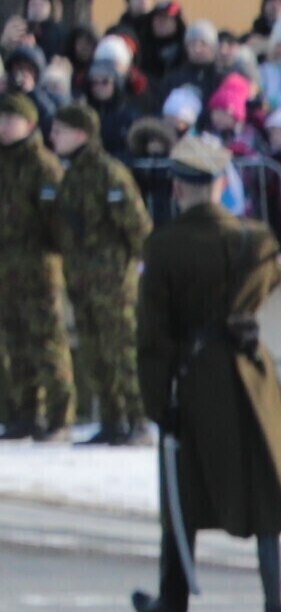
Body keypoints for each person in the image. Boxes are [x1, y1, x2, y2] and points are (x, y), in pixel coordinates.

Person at [127, 134, 281, 612]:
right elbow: (271, 278)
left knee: (182, 494)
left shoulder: (163, 246)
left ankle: (174, 607)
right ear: (220, 185)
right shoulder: (257, 239)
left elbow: (153, 336)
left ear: (177, 188)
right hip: (252, 374)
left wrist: (156, 402)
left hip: (194, 380)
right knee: (268, 498)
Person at [57, 115, 149, 445]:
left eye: (60, 131)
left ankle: (137, 420)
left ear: (81, 134)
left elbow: (136, 225)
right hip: (82, 278)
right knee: (94, 353)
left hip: (112, 280)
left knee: (122, 351)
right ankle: (112, 419)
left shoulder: (108, 171)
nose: (53, 136)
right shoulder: (71, 175)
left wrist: (137, 265)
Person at [0, 95, 70, 438]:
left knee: (47, 341)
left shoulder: (43, 165)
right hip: (5, 268)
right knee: (14, 343)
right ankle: (24, 413)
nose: (3, 126)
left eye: (10, 120)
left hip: (38, 266)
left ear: (29, 125)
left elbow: (58, 221)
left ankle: (59, 417)